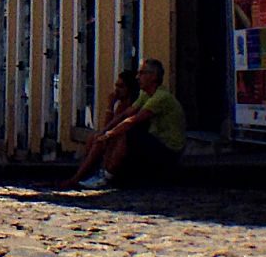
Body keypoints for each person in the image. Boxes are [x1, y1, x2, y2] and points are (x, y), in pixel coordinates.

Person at [72, 60, 186, 191]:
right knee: (103, 135)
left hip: (169, 150)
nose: (138, 77)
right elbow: (125, 115)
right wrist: (104, 131)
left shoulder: (161, 97)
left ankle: (105, 176)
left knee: (125, 134)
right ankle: (82, 176)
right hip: (154, 142)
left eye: (142, 73)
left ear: (154, 76)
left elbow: (133, 120)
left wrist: (109, 134)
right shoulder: (145, 94)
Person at [65, 69, 137, 189]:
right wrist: (110, 106)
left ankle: (79, 177)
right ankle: (85, 174)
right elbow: (108, 125)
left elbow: (116, 125)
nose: (117, 90)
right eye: (116, 86)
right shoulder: (120, 105)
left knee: (102, 140)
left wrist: (105, 134)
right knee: (94, 138)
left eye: (121, 86)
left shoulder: (132, 105)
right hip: (117, 137)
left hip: (129, 142)